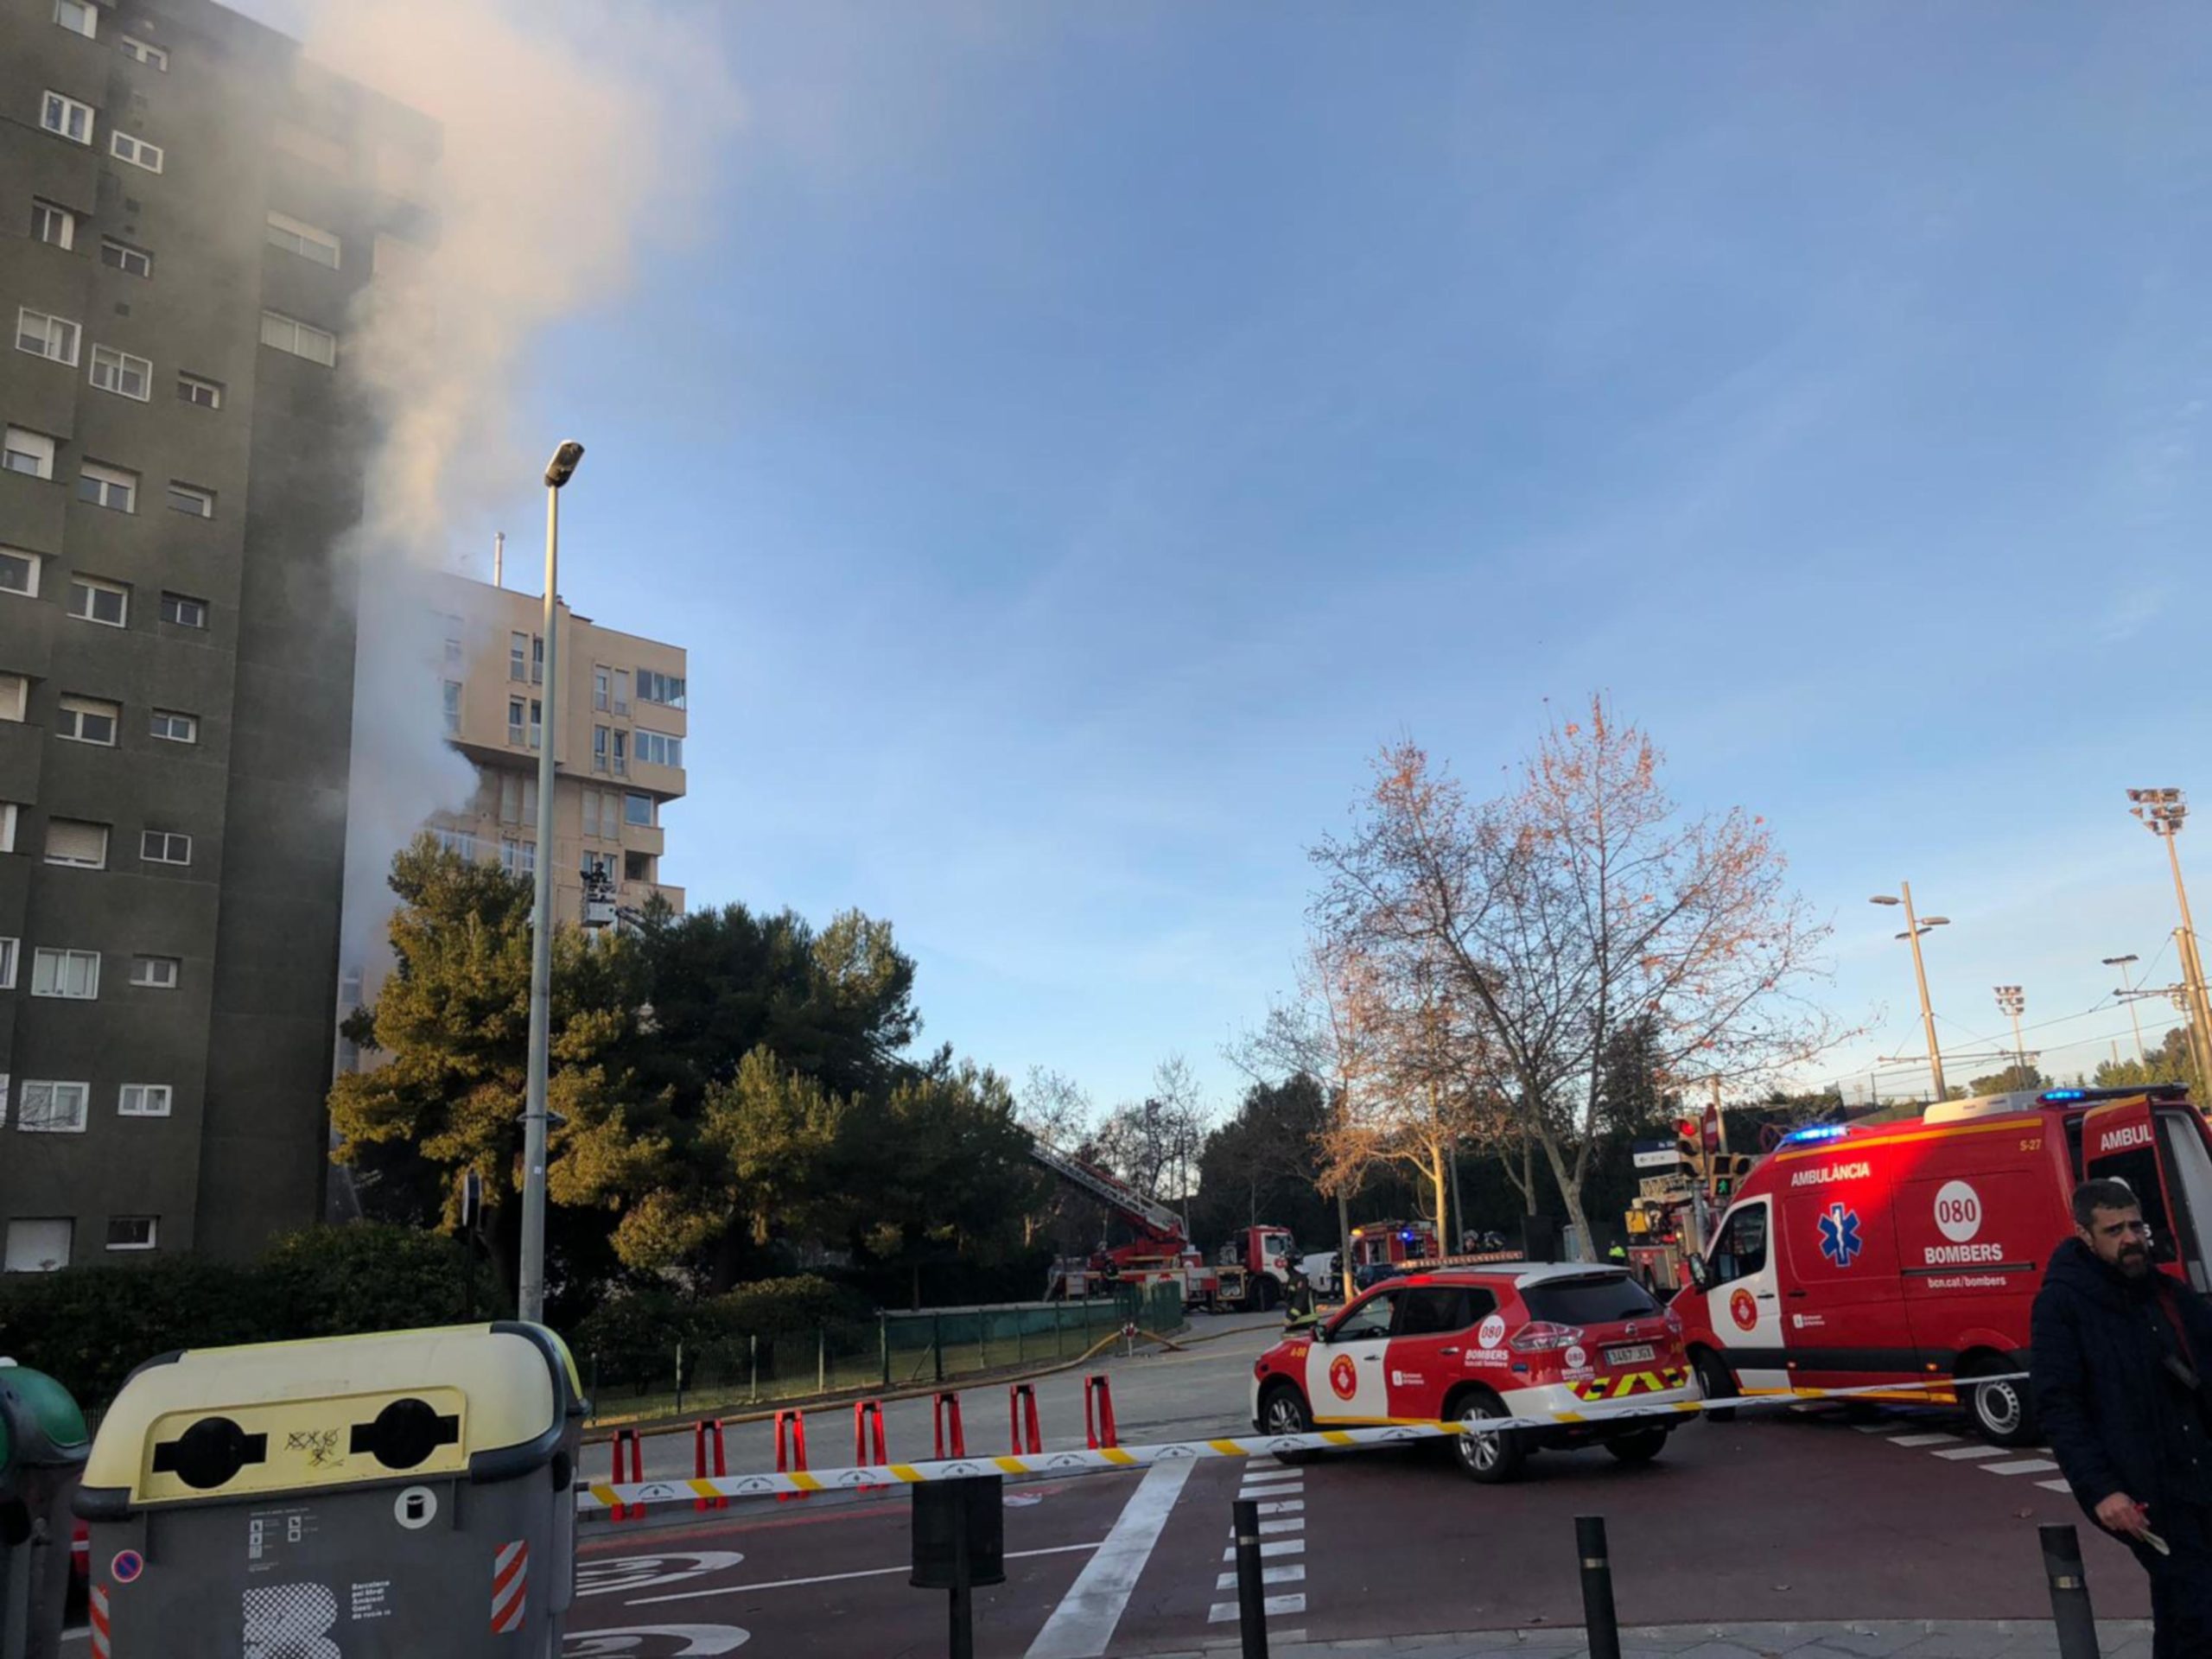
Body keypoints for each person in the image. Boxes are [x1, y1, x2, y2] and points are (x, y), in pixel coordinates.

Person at [2033, 1179, 2212, 1658]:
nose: (2130, 1238)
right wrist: (2101, 1491)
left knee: (2184, 1613)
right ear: (2085, 1236)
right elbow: (2059, 1405)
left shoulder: (2168, 1294)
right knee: (2198, 1605)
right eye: (2114, 1230)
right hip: (2144, 1494)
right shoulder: (2063, 1304)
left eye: (2135, 1225)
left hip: (2201, 1476)